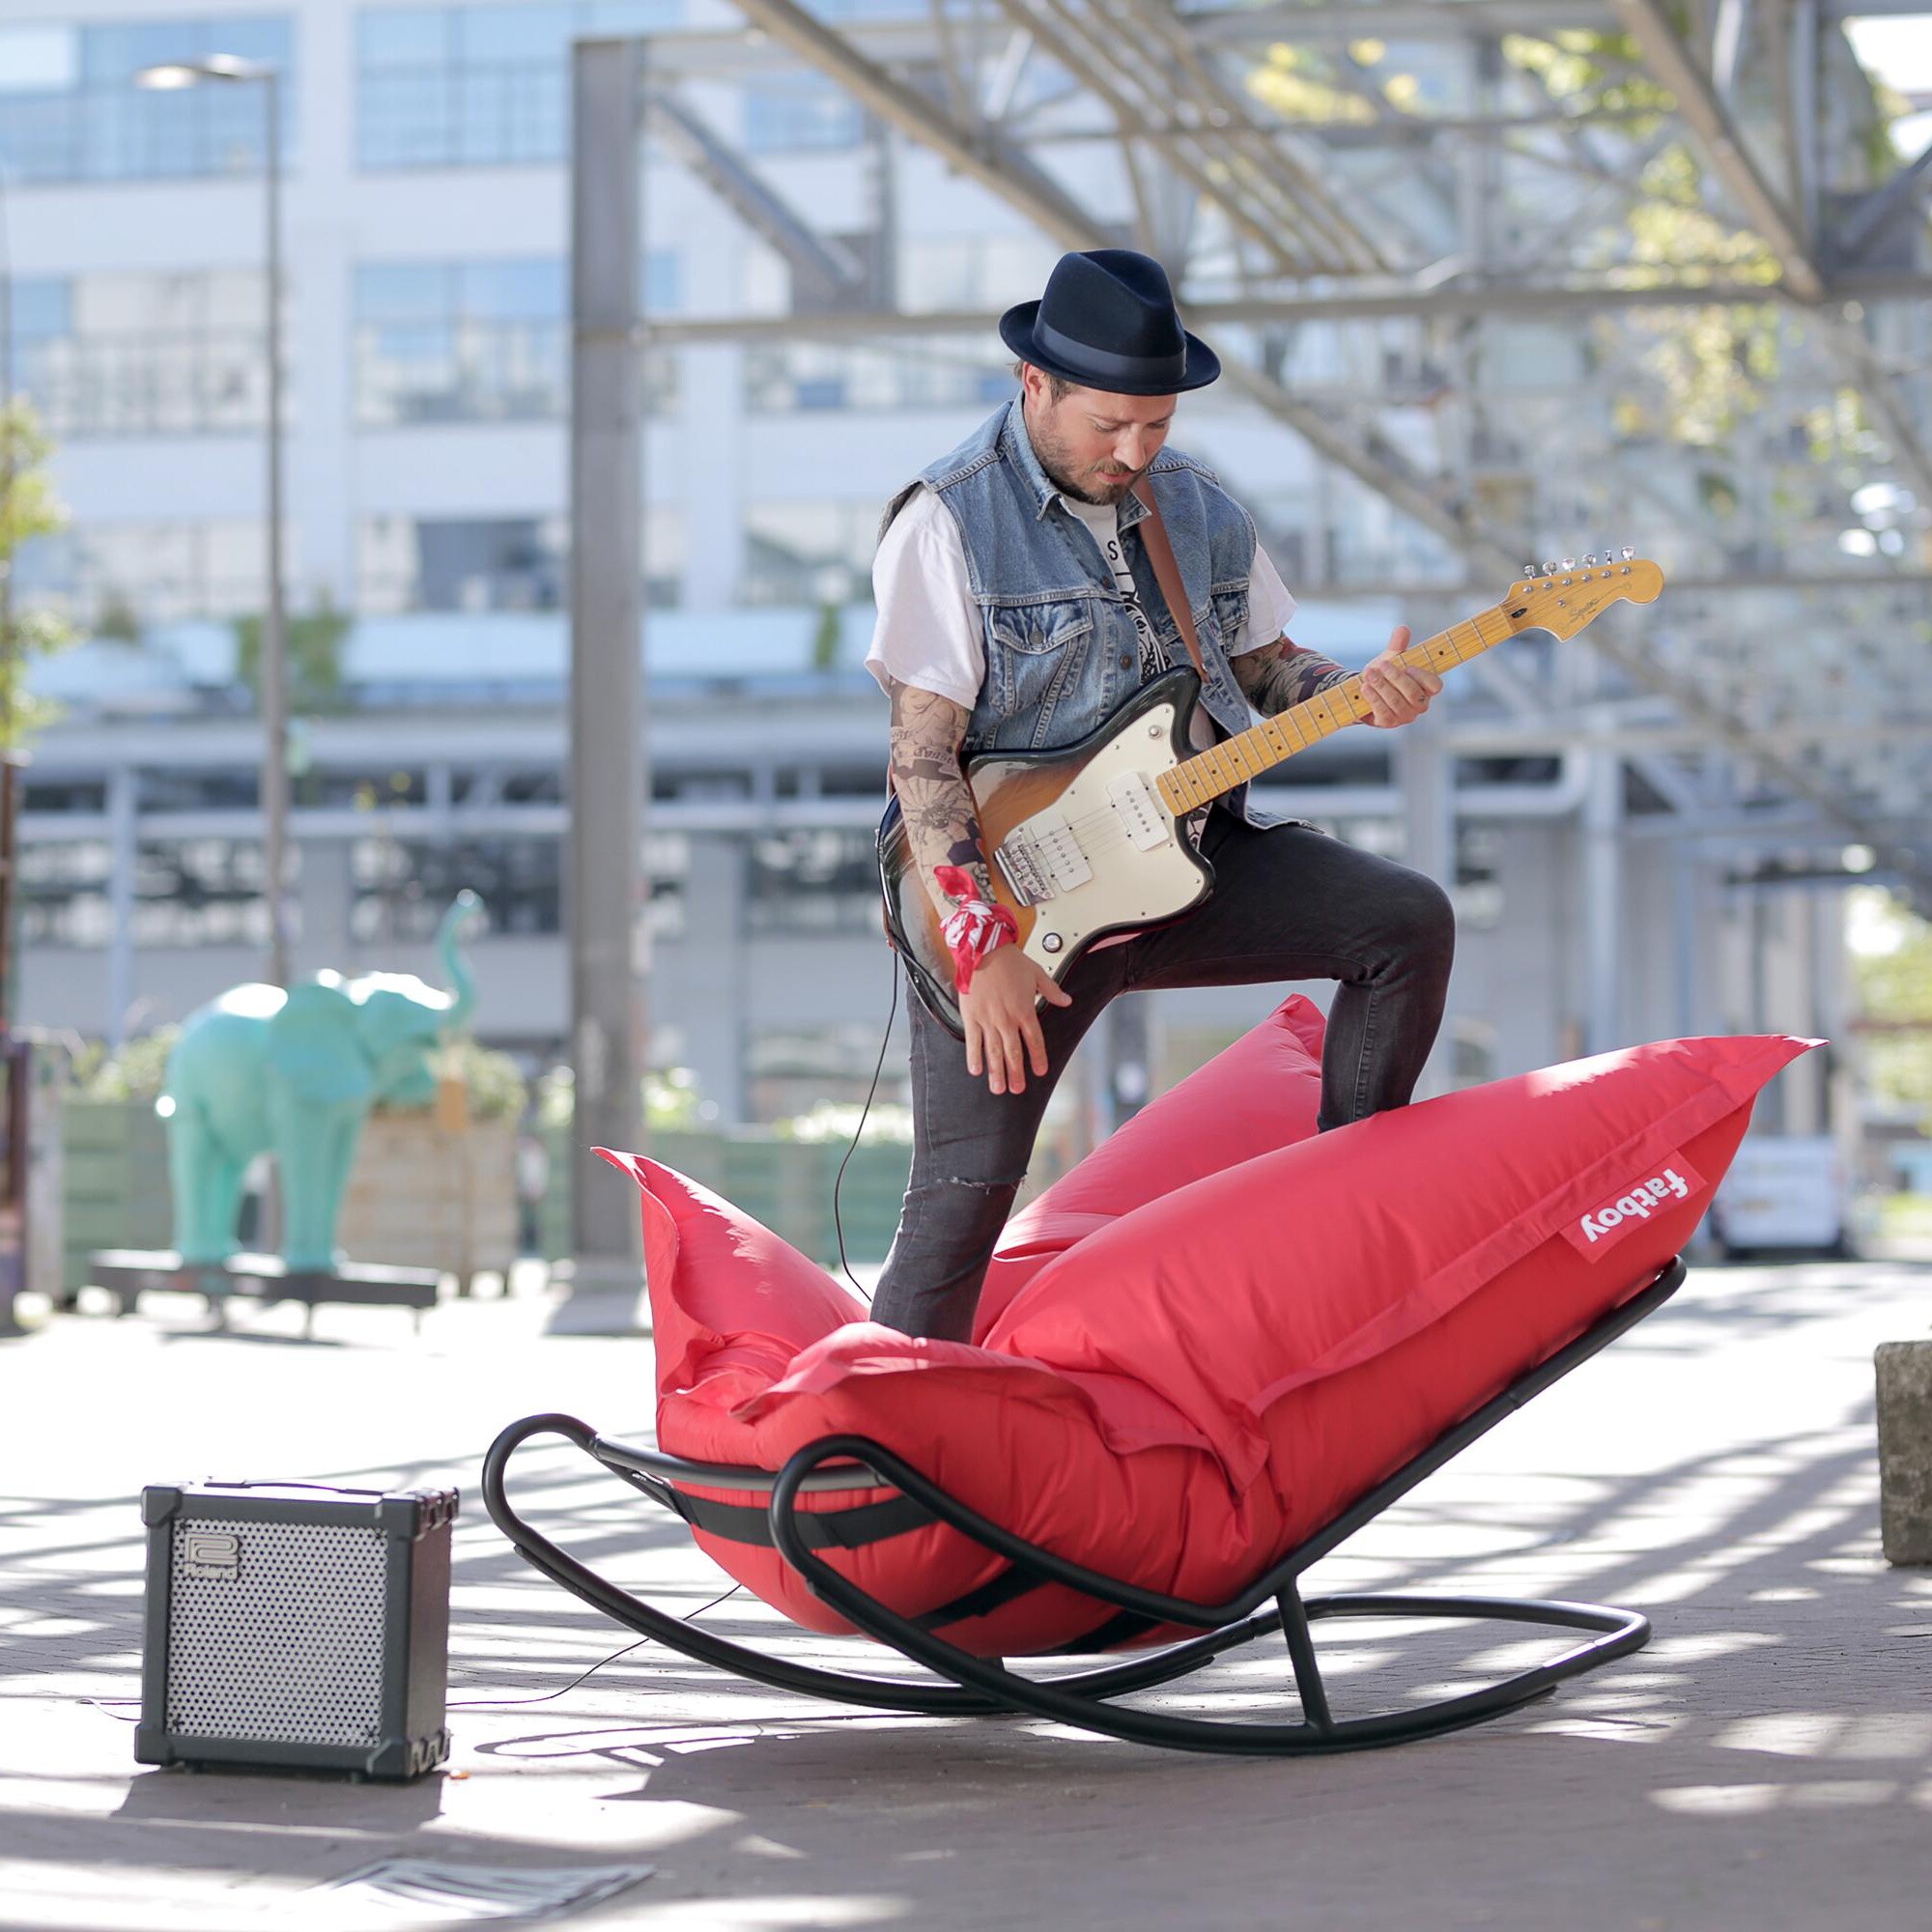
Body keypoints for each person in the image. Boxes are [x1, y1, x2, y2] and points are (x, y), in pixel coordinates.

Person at [865, 248, 1452, 1342]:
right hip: (1010, 913)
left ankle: (1341, 1216)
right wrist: (979, 940)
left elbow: (1271, 670)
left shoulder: (1202, 512)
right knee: (956, 1214)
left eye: (1156, 427)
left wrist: (1359, 692)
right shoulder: (945, 520)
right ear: (1031, 382)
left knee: (1405, 920)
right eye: (1108, 427)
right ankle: (868, 1475)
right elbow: (922, 758)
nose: (1133, 452)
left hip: (1184, 857)